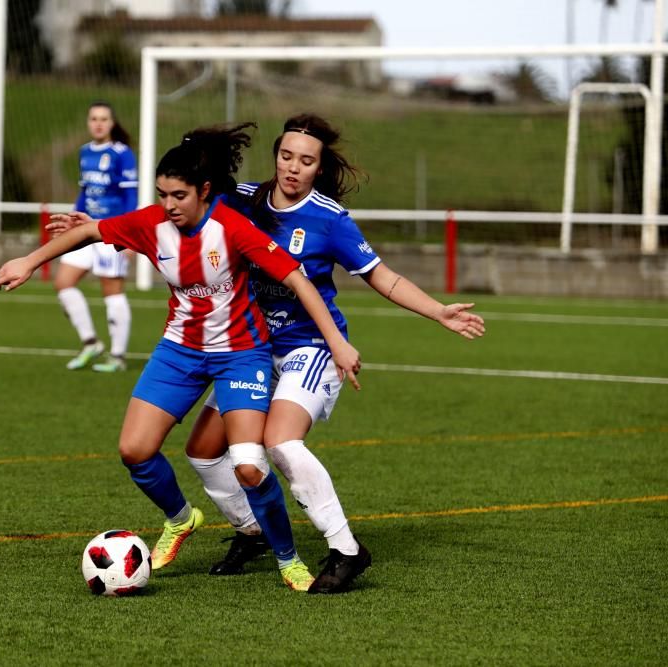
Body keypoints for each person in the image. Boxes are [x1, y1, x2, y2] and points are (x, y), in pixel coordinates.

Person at [0, 123, 363, 592]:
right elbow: (89, 231)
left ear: (204, 192)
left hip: (241, 355)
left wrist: (336, 340)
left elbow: (296, 279)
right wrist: (29, 261)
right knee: (134, 450)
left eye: (178, 195)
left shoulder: (232, 227)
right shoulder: (151, 224)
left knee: (250, 464)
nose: (168, 205)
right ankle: (180, 518)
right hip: (180, 350)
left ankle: (288, 558)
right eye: (162, 194)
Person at [183, 113, 487, 594]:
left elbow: (382, 276)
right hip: (251, 351)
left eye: (306, 161)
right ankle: (252, 531)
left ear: (319, 168)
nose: (292, 168)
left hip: (312, 346)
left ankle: (346, 548)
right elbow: (180, 203)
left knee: (281, 444)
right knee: (202, 451)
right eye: (286, 156)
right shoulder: (240, 200)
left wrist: (438, 312)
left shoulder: (330, 219)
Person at [55, 102, 137, 373]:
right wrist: (71, 218)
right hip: (84, 229)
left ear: (112, 123)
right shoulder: (85, 152)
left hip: (110, 231)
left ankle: (117, 355)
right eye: (94, 119)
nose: (98, 123)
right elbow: (84, 192)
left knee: (111, 291)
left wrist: (127, 235)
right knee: (63, 282)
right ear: (88, 122)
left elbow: (130, 196)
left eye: (104, 119)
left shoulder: (122, 154)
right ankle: (90, 342)